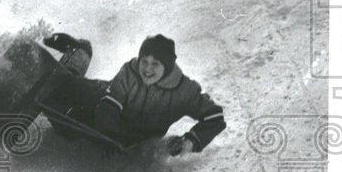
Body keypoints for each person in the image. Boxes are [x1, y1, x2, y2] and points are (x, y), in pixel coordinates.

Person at [36, 32, 226, 154]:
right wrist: (113, 134)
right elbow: (109, 105)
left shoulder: (183, 91)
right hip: (103, 102)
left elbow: (215, 117)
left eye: (155, 64)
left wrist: (191, 141)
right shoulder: (130, 72)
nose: (147, 69)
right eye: (144, 61)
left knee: (63, 115)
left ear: (167, 67)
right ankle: (77, 52)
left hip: (125, 132)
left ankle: (77, 54)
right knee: (64, 89)